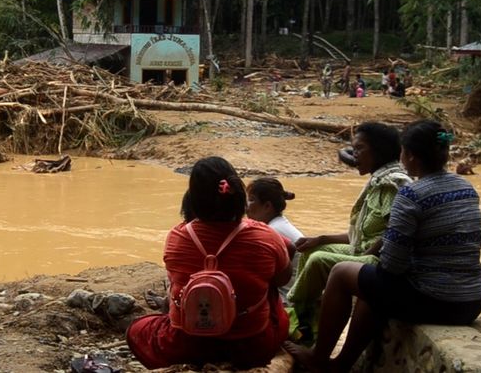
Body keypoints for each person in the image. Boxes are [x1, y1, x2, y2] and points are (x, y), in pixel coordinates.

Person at [284, 119, 481, 371]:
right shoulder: (466, 188)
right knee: (373, 289)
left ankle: (318, 357)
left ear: (409, 156)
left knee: (341, 273)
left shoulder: (411, 194)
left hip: (436, 300)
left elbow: (392, 264)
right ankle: (342, 363)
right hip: (471, 301)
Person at [126, 157, 293, 369]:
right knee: (272, 295)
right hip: (251, 345)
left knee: (136, 330)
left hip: (188, 344)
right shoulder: (266, 236)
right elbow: (283, 278)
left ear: (192, 199)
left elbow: (174, 281)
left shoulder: (177, 237)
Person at [285, 122, 411, 339]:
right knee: (310, 250)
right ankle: (308, 322)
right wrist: (321, 238)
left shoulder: (392, 184)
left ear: (379, 151)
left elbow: (394, 234)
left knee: (318, 261)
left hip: (381, 262)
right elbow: (360, 236)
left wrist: (365, 255)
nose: (355, 155)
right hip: (364, 252)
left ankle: (294, 315)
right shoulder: (377, 181)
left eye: (360, 149)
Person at [246, 178, 304, 299]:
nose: (246, 205)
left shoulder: (271, 232)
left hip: (287, 300)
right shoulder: (278, 224)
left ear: (267, 206)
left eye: (251, 200)